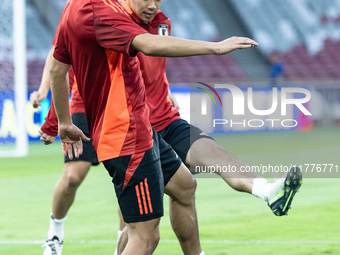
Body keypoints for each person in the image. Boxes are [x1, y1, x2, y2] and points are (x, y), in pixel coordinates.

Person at [46, 0, 261, 255]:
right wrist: (215, 47)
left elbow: (57, 69)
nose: (152, 4)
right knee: (145, 237)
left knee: (184, 186)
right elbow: (148, 44)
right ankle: (55, 234)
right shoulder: (101, 12)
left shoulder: (73, 6)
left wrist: (63, 122)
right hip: (126, 134)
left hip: (139, 127)